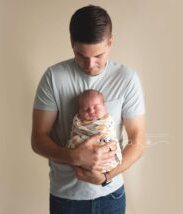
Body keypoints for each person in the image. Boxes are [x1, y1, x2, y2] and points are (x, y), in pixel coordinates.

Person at [31, 5, 146, 214]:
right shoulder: (54, 78)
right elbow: (38, 139)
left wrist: (105, 176)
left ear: (110, 42)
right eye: (81, 55)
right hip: (66, 198)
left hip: (111, 195)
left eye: (98, 56)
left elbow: (137, 140)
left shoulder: (127, 79)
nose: (90, 64)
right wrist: (73, 157)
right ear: (71, 43)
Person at [67, 89, 122, 173]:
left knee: (112, 145)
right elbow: (75, 132)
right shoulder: (78, 121)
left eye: (96, 107)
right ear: (79, 111)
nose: (91, 111)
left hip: (104, 147)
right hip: (82, 153)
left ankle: (105, 166)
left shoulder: (107, 120)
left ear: (104, 106)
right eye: (85, 109)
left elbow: (110, 134)